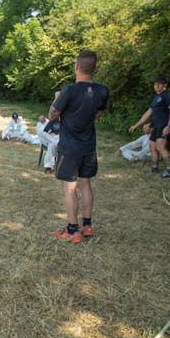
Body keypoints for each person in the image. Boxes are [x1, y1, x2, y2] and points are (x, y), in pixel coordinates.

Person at [50, 50, 109, 243]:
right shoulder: (102, 90)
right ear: (95, 68)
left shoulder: (68, 90)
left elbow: (53, 115)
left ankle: (72, 229)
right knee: (86, 184)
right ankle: (88, 226)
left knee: (69, 188)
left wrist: (57, 99)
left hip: (69, 147)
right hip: (89, 146)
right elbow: (98, 114)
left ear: (77, 66)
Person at [129, 76, 170, 178]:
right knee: (152, 146)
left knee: (160, 147)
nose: (157, 86)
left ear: (165, 85)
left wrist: (169, 126)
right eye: (155, 84)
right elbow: (149, 112)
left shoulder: (167, 95)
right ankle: (155, 167)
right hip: (156, 126)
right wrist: (136, 125)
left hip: (164, 125)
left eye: (159, 84)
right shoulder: (156, 97)